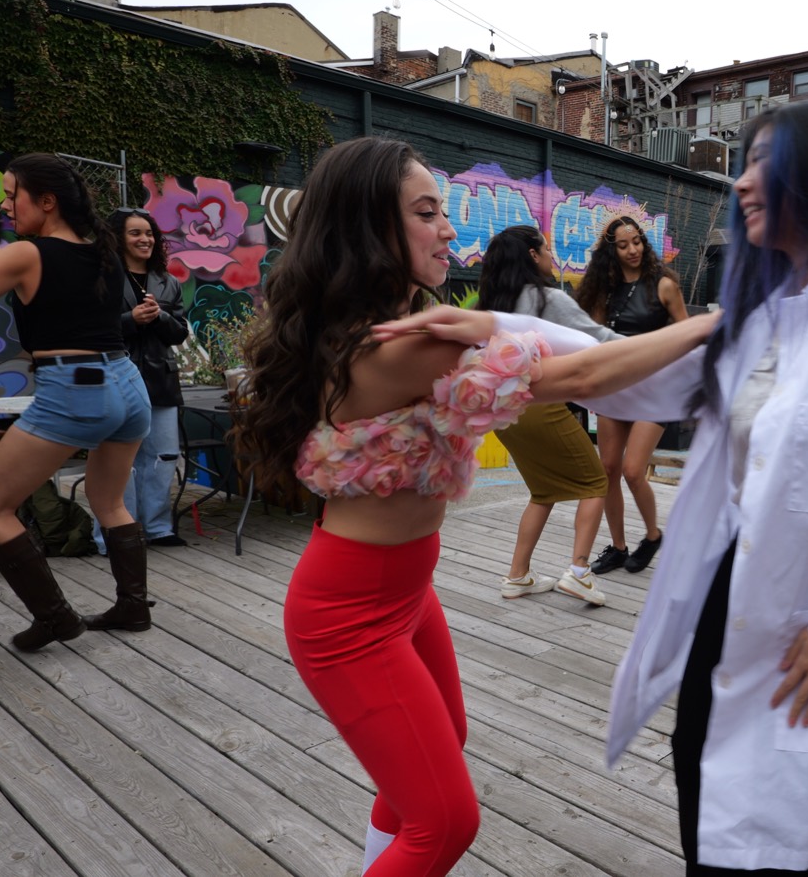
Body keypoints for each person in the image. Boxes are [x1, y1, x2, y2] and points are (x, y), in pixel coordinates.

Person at [380, 96, 808, 875]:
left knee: (777, 838)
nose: (742, 184)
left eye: (765, 164)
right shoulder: (768, 318)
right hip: (725, 596)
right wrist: (495, 329)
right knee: (704, 781)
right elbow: (619, 371)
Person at [236, 136, 715, 877]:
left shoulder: (388, 324)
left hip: (401, 591)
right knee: (446, 822)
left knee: (438, 752)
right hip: (348, 614)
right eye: (427, 213)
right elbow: (588, 370)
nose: (450, 229)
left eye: (445, 211)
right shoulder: (397, 345)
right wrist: (722, 323)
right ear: (371, 227)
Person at [0, 153, 152, 650]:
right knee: (108, 500)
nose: (4, 206)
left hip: (74, 390)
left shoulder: (24, 255)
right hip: (128, 386)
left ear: (45, 201)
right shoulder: (102, 248)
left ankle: (55, 618)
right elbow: (40, 279)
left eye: (11, 195)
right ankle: (133, 606)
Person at [475, 224, 621, 605]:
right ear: (532, 256)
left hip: (504, 414)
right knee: (595, 483)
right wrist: (654, 350)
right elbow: (599, 340)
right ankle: (578, 572)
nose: (551, 256)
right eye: (546, 249)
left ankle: (517, 576)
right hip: (540, 406)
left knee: (543, 491)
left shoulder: (490, 305)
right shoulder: (546, 299)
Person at [573, 215, 688, 575]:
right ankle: (618, 547)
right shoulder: (601, 289)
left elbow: (688, 335)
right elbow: (591, 336)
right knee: (607, 469)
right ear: (612, 251)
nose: (632, 249)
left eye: (636, 241)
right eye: (623, 245)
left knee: (634, 470)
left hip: (656, 389)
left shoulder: (664, 284)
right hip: (616, 388)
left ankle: (653, 536)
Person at [93, 207, 189, 553]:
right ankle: (118, 532)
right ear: (118, 238)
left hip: (161, 379)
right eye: (135, 233)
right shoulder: (102, 276)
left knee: (163, 456)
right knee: (118, 459)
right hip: (116, 379)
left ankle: (159, 528)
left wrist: (160, 317)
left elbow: (179, 333)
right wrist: (131, 319)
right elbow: (91, 331)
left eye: (149, 233)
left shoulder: (168, 282)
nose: (145, 239)